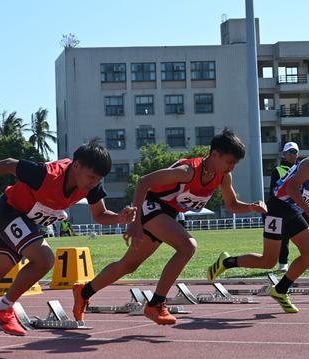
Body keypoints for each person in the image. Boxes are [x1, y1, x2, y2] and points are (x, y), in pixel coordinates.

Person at [72, 129, 263, 325]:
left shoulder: (223, 177)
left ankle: (83, 291)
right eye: (230, 162)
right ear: (214, 154)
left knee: (128, 265)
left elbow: (231, 205)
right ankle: (156, 304)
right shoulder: (188, 172)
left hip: (168, 213)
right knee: (187, 246)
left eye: (235, 163)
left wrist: (251, 207)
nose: (232, 167)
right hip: (152, 206)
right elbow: (144, 181)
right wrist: (136, 222)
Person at [0, 142, 134, 336]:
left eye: (99, 179)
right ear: (76, 166)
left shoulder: (91, 187)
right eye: (91, 177)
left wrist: (119, 218)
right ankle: (3, 308)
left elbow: (100, 215)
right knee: (44, 259)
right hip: (9, 212)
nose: (94, 183)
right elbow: (9, 164)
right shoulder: (46, 174)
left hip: (29, 221)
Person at [206, 143, 309, 313]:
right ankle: (227, 262)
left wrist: (307, 208)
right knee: (268, 261)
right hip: (277, 210)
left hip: (292, 212)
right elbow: (291, 187)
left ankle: (280, 290)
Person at [273, 141, 300, 272]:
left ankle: (308, 259)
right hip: (282, 208)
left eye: (295, 152)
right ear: (284, 154)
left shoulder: (300, 169)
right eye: (290, 152)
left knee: (304, 234)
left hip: (298, 207)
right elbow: (274, 192)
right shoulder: (278, 170)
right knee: (283, 237)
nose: (293, 154)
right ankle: (283, 262)